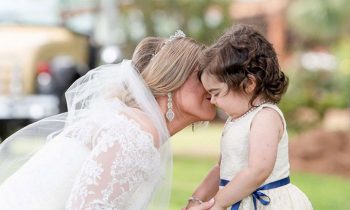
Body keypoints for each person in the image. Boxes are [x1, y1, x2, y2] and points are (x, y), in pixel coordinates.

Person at [0, 31, 216, 210]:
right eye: (201, 75)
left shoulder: (134, 124)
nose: (211, 83)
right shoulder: (136, 133)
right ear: (172, 79)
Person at [185, 24, 313, 210]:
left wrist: (218, 204)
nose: (212, 100)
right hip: (235, 199)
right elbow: (221, 168)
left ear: (249, 84)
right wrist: (197, 199)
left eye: (217, 93)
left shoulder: (265, 116)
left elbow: (258, 170)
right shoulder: (236, 120)